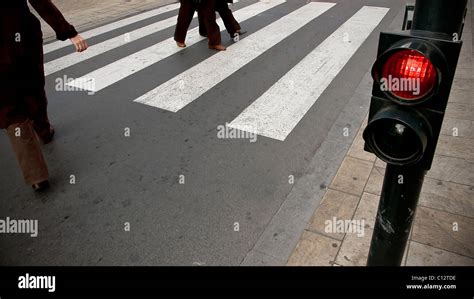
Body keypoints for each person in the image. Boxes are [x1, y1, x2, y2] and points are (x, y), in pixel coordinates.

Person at [0, 0, 88, 192]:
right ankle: (43, 129)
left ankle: (37, 176)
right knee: (33, 86)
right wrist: (69, 32)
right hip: (22, 34)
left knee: (10, 108)